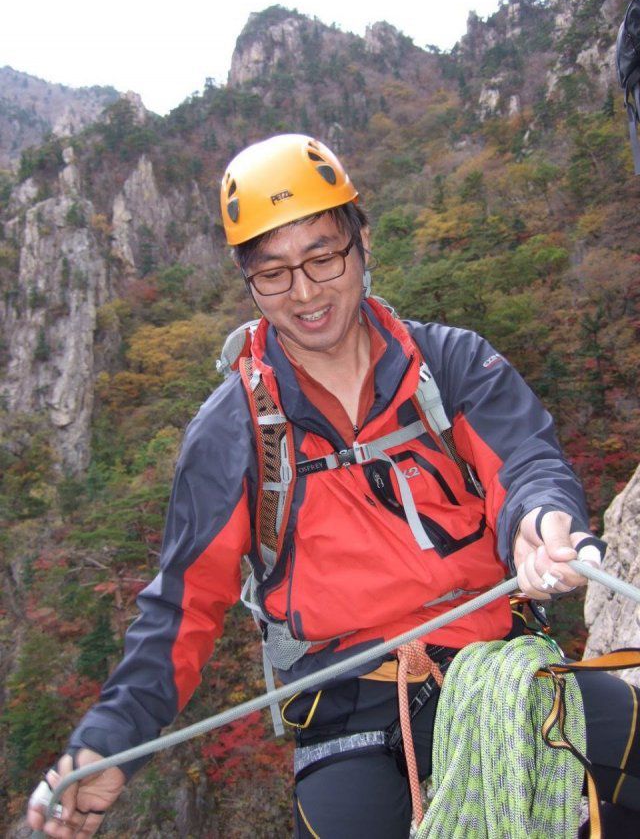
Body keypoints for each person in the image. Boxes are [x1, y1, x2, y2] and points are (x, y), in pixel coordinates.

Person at [27, 134, 640, 838]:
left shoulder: (451, 364)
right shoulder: (232, 432)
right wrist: (110, 739)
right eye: (275, 273)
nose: (306, 291)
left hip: (497, 663)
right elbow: (180, 609)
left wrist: (541, 520)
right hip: (352, 704)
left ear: (362, 241)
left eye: (323, 255)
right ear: (248, 282)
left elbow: (524, 464)